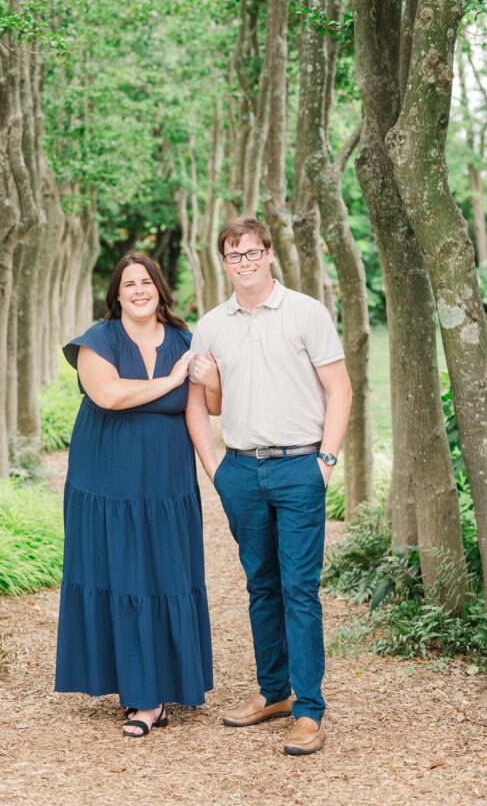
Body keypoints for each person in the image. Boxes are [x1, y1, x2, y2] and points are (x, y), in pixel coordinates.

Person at [186, 217, 352, 756]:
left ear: (270, 255)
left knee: (299, 590)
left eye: (254, 253)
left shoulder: (306, 312)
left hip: (299, 467)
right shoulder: (211, 325)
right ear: (224, 262)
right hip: (241, 470)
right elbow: (203, 402)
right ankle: (273, 692)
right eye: (235, 256)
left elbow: (340, 389)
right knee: (261, 586)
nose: (245, 263)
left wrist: (324, 461)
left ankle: (309, 710)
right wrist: (216, 470)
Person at [55, 252, 214, 738]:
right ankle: (139, 697)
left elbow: (205, 406)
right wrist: (170, 379)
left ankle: (158, 692)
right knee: (117, 572)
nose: (139, 290)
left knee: (164, 573)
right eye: (130, 284)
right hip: (105, 480)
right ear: (117, 294)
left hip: (166, 482)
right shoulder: (97, 341)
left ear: (160, 289)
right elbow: (108, 395)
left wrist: (216, 471)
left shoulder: (187, 341)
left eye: (146, 282)